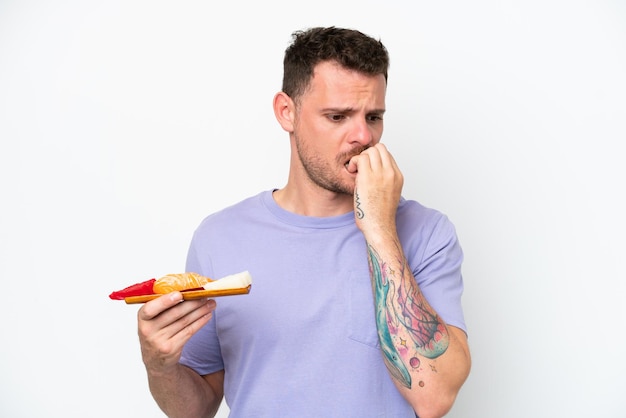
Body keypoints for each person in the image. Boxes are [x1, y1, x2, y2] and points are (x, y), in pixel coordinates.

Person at [137, 26, 471, 418]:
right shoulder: (219, 238)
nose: (363, 136)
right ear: (287, 112)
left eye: (374, 116)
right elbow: (195, 409)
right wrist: (158, 366)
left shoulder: (427, 233)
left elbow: (434, 398)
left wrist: (380, 228)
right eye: (337, 116)